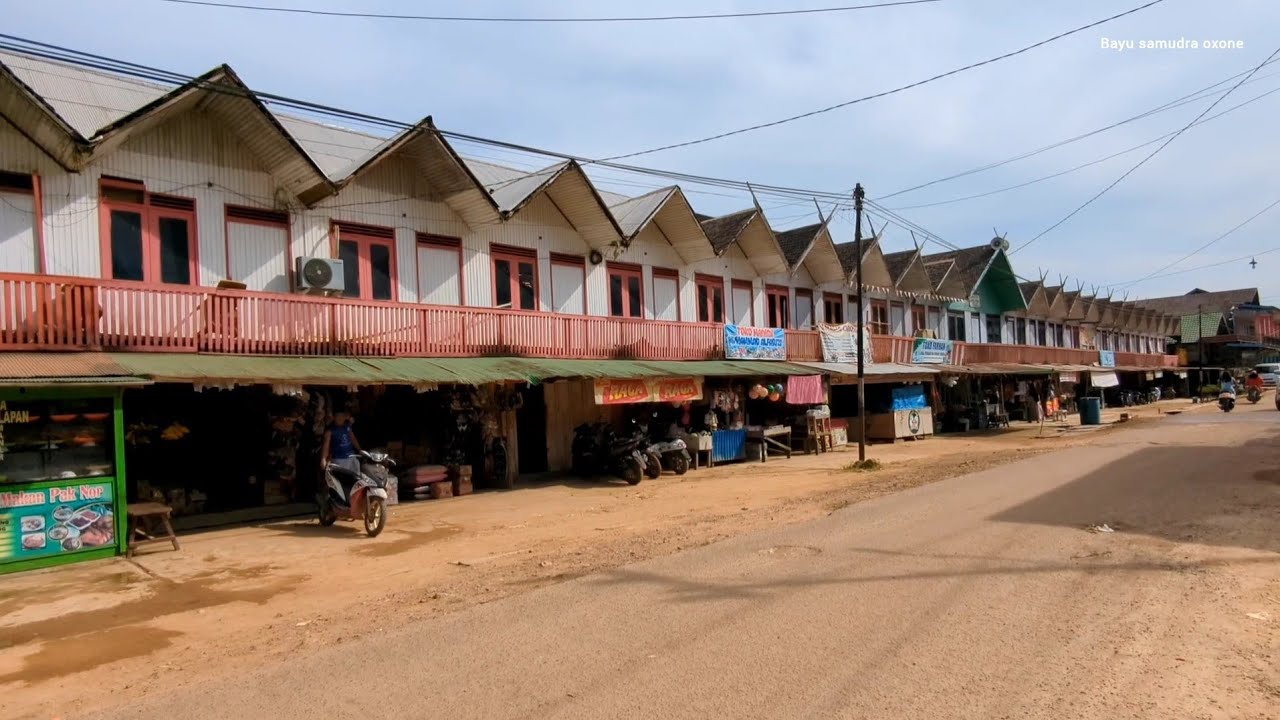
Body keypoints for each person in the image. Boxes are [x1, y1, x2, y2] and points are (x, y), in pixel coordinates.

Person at [320, 409, 362, 475]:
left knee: (356, 480)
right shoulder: (330, 431)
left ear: (345, 417)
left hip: (352, 457)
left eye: (342, 416)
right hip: (339, 460)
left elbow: (353, 439)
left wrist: (359, 449)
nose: (340, 418)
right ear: (334, 418)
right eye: (338, 416)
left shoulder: (347, 428)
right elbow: (326, 446)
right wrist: (323, 459)